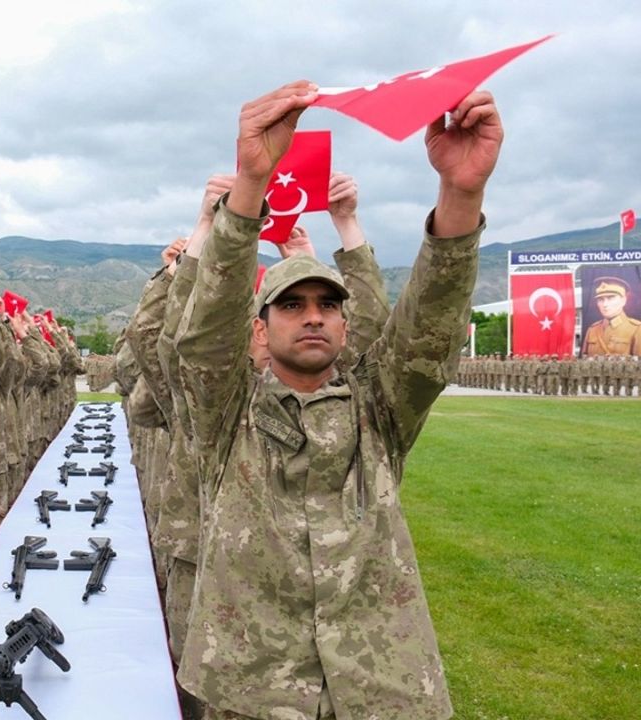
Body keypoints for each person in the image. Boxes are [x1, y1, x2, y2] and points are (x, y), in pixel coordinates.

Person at [175, 81, 503, 720]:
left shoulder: (376, 411)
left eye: (328, 305)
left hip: (379, 686)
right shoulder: (228, 416)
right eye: (291, 305)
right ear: (260, 328)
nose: (313, 316)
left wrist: (461, 193)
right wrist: (251, 182)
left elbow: (429, 329)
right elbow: (205, 333)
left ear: (346, 328)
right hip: (255, 692)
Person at [582, 276, 641, 356]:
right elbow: (584, 359)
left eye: (610, 298)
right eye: (601, 299)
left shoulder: (637, 329)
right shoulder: (592, 330)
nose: (605, 304)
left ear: (623, 300)